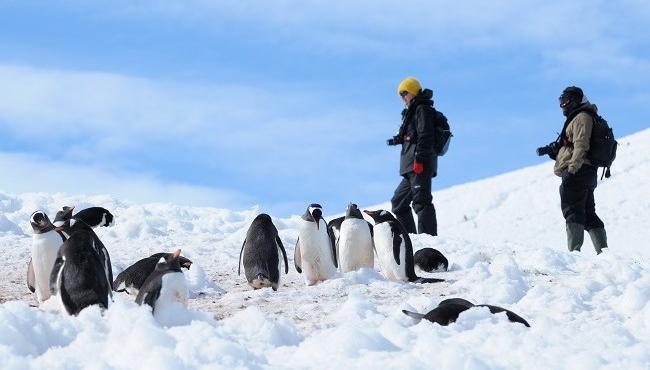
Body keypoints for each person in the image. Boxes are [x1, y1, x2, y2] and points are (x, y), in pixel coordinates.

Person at [550, 86, 609, 254]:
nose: (563, 105)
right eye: (561, 101)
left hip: (579, 170)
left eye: (566, 101)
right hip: (586, 171)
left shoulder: (582, 117)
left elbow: (581, 144)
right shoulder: (582, 116)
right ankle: (604, 254)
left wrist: (572, 168)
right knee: (588, 213)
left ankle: (574, 253)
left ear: (575, 100)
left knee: (572, 210)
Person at [387, 77, 444, 236]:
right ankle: (411, 237)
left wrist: (419, 159)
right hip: (410, 166)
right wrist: (397, 140)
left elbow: (426, 136)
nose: (402, 97)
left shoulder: (422, 109)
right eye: (400, 94)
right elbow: (413, 134)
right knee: (398, 202)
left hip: (419, 164)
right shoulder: (412, 111)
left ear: (412, 92)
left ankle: (428, 239)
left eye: (404, 93)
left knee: (421, 202)